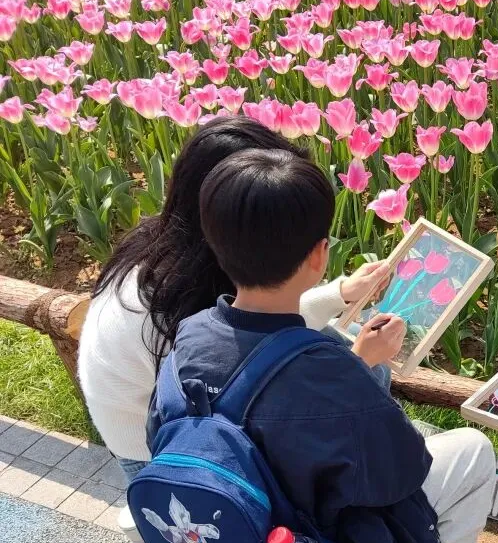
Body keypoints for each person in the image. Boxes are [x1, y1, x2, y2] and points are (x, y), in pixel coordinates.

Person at [147, 147, 494, 543]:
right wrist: (362, 369)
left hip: (235, 532)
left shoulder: (192, 333)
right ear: (318, 254)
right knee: (474, 449)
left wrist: (353, 366)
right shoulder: (328, 372)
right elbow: (402, 471)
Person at [78, 116, 391, 482]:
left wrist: (340, 294)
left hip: (171, 413)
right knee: (365, 371)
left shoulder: (176, 248)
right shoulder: (174, 306)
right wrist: (357, 367)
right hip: (162, 454)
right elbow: (246, 417)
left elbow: (254, 319)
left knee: (343, 347)